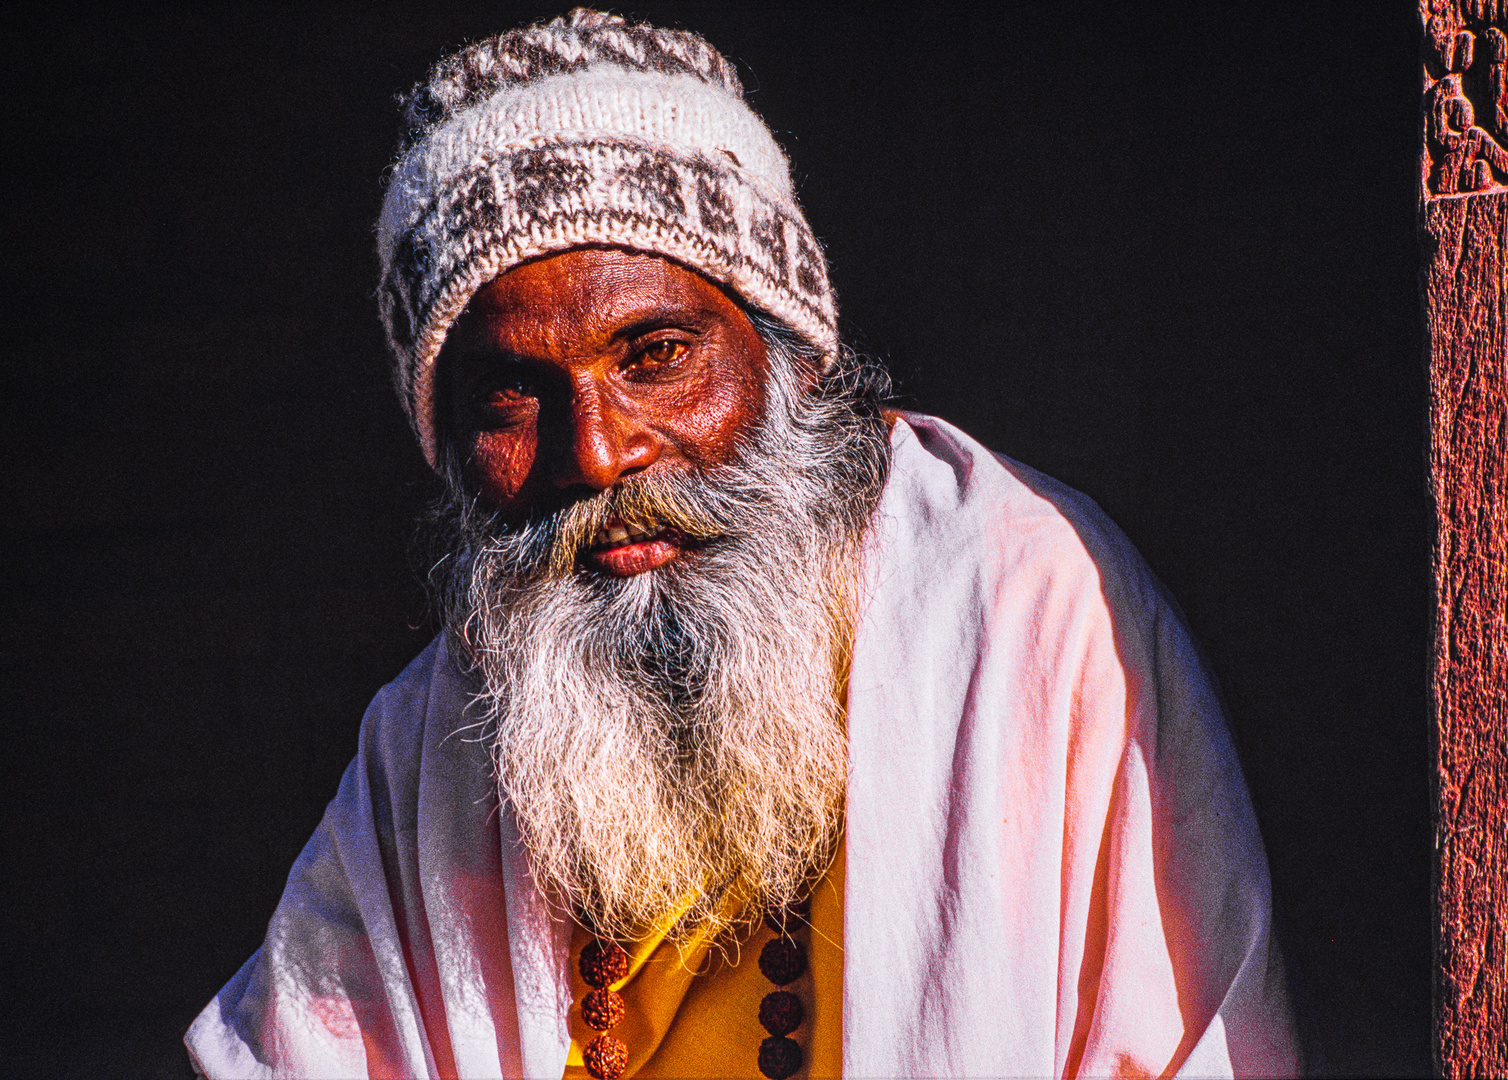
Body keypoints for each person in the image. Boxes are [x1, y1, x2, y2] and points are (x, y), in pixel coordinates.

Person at [186, 10, 1298, 1079]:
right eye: (512, 395)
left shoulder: (1022, 608)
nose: (600, 453)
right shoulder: (436, 744)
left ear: (792, 358)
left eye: (654, 353)